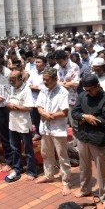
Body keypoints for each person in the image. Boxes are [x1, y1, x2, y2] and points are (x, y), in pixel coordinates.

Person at [72, 74, 105, 209]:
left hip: (98, 138)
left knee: (102, 170)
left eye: (90, 90)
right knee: (84, 166)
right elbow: (75, 113)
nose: (88, 92)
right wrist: (85, 116)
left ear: (98, 86)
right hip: (82, 136)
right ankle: (85, 189)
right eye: (86, 90)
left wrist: (89, 119)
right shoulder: (83, 95)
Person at [35, 68, 72, 196]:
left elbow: (64, 112)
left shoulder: (63, 92)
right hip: (45, 127)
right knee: (46, 153)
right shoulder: (43, 90)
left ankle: (66, 181)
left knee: (62, 155)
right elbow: (39, 106)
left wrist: (51, 116)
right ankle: (49, 175)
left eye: (47, 80)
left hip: (58, 128)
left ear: (55, 79)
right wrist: (43, 113)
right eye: (43, 79)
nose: (44, 82)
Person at [5, 70, 37, 183]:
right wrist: (9, 105)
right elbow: (7, 102)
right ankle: (17, 169)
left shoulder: (26, 89)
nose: (11, 82)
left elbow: (29, 108)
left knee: (28, 149)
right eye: (10, 80)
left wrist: (16, 107)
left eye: (13, 80)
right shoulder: (11, 88)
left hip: (23, 123)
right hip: (13, 122)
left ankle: (31, 171)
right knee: (14, 148)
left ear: (20, 79)